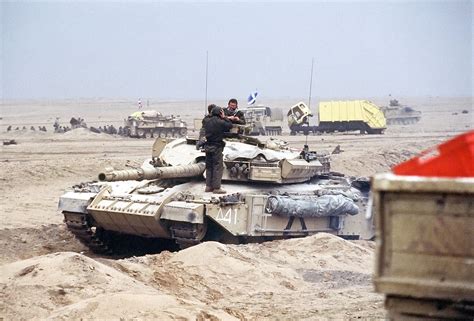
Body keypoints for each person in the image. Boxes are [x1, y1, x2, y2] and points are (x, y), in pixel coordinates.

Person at [203, 106, 233, 194]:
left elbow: (205, 119)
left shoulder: (206, 121)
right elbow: (230, 126)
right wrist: (224, 117)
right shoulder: (221, 122)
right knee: (217, 167)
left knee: (209, 167)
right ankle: (216, 188)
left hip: (207, 146)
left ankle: (208, 186)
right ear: (220, 113)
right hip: (216, 147)